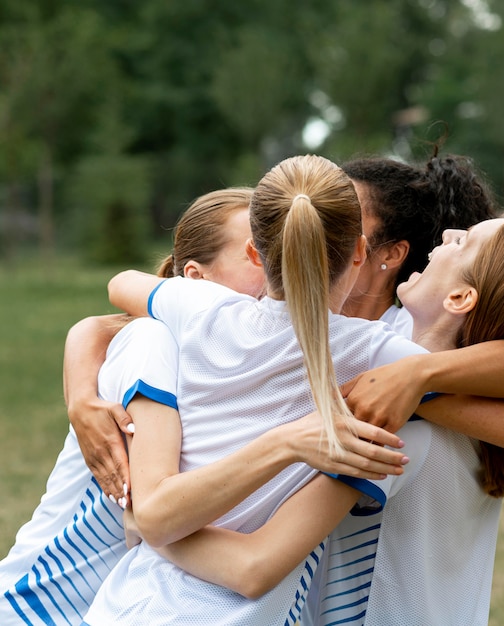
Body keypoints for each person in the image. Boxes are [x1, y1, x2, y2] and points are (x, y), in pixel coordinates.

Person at [82, 156, 504, 625]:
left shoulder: (213, 313)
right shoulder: (376, 351)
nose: (447, 238)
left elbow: (121, 284)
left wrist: (155, 525)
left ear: (256, 251)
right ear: (358, 252)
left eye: (464, 243)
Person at [0, 187, 402, 626]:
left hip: (123, 600)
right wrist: (81, 399)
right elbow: (152, 514)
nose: (292, 253)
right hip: (44, 605)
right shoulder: (154, 341)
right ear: (194, 279)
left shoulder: (254, 365)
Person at [340, 151, 498, 334]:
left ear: (393, 254)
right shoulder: (303, 323)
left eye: (343, 219)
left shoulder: (415, 335)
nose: (321, 231)